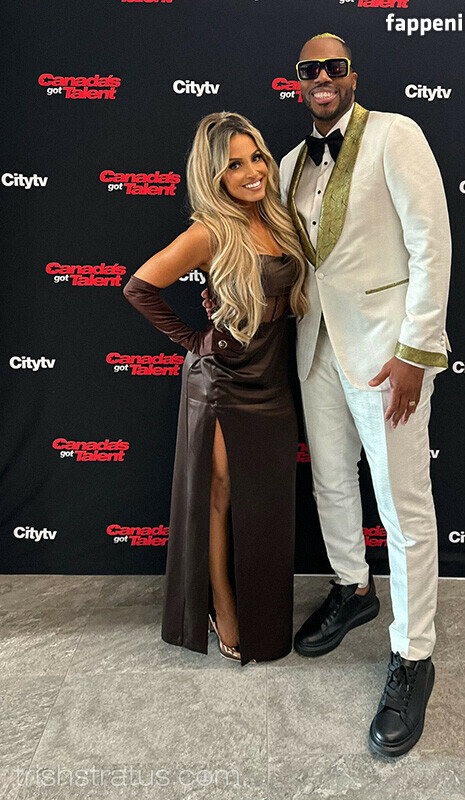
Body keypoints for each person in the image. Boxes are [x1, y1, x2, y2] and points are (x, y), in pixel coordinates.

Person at [279, 33, 452, 756]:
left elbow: (431, 243)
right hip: (315, 345)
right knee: (330, 482)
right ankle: (353, 589)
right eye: (310, 70)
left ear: (353, 76)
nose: (322, 77)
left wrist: (416, 351)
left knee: (402, 505)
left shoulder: (395, 134)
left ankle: (413, 655)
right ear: (298, 82)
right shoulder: (288, 162)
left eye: (335, 67)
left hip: (387, 356)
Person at [122, 112, 309, 666]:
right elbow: (139, 287)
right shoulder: (209, 230)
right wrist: (194, 340)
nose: (253, 172)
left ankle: (264, 612)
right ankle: (222, 607)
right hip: (222, 383)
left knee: (268, 501)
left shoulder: (280, 218)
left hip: (272, 377)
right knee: (221, 496)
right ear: (214, 175)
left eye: (257, 158)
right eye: (235, 165)